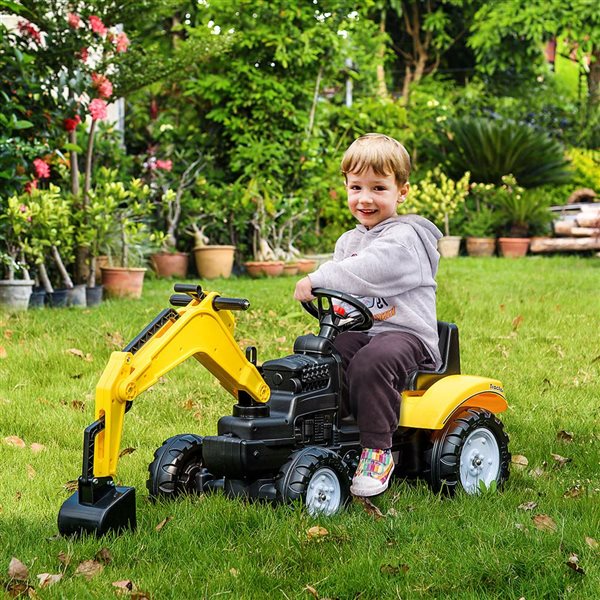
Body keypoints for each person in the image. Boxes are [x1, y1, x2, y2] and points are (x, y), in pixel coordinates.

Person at [294, 133, 442, 497]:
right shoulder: (348, 241)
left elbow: (370, 269)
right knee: (322, 357)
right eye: (356, 187)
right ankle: (328, 437)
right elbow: (347, 291)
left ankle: (378, 451)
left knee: (371, 362)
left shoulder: (406, 238)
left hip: (407, 336)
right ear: (345, 187)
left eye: (378, 188)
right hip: (366, 330)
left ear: (401, 191)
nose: (365, 198)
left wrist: (318, 277)